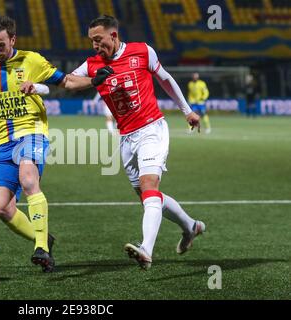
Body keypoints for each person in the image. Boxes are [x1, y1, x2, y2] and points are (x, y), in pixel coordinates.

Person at [65, 15, 206, 269]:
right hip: (126, 137)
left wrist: (187, 110)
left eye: (99, 40)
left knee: (149, 184)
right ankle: (190, 226)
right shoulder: (93, 64)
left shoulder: (142, 51)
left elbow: (165, 78)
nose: (95, 46)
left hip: (152, 128)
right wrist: (93, 80)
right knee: (149, 196)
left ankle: (146, 250)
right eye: (91, 41)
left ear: (114, 35)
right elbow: (68, 81)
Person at [0, 16, 68, 272]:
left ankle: (41, 249)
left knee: (29, 180)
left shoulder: (32, 60)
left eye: (0, 45)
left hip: (32, 133)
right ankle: (44, 239)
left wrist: (92, 80)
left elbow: (63, 82)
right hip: (2, 143)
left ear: (12, 40)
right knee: (2, 207)